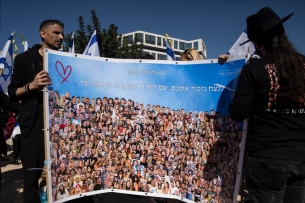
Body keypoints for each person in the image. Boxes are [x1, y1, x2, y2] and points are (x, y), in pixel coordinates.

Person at [228, 7, 305, 203]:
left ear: (256, 42)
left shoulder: (254, 69)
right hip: (301, 154)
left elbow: (238, 112)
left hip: (267, 157)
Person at [8, 19, 64, 203]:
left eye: (62, 33)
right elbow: (12, 93)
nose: (61, 37)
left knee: (62, 174)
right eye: (56, 33)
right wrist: (31, 86)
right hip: (33, 124)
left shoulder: (64, 60)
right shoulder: (24, 59)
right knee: (32, 176)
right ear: (43, 34)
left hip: (59, 124)